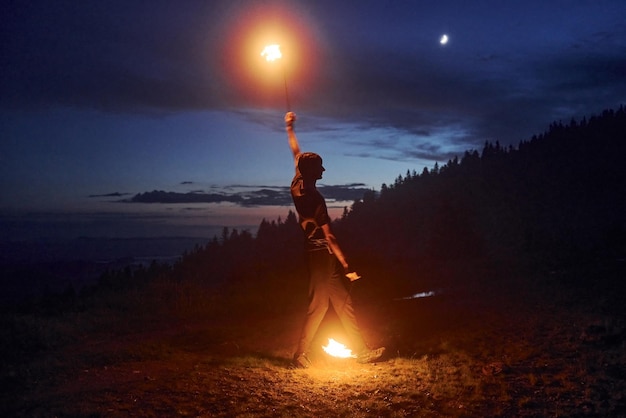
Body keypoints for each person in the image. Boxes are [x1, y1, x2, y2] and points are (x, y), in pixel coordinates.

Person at [285, 111, 385, 368]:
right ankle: (300, 355)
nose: (324, 169)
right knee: (317, 307)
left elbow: (296, 152)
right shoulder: (315, 200)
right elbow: (330, 236)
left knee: (343, 303)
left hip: (320, 257)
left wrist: (289, 128)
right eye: (320, 167)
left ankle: (361, 351)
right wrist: (347, 266)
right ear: (311, 170)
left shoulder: (297, 182)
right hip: (319, 255)